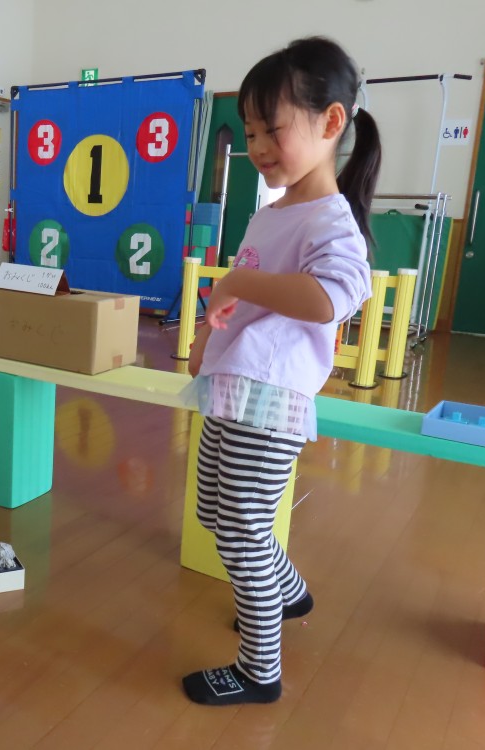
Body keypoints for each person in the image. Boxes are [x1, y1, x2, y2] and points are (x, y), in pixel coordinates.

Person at [181, 37, 380, 706]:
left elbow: (333, 297)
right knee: (215, 514)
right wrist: (207, 342)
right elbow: (245, 300)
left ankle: (258, 671)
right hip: (234, 388)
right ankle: (288, 594)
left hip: (269, 400)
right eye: (251, 132)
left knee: (243, 534)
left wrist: (237, 282)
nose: (259, 146)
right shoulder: (274, 212)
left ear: (331, 123)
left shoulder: (331, 219)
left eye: (274, 128)